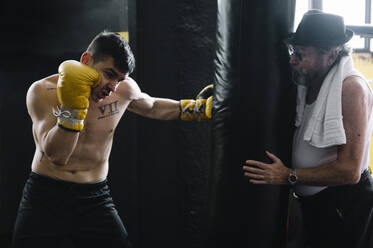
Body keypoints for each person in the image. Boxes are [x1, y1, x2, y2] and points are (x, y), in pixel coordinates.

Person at [12, 31, 213, 248]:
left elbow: (152, 106)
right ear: (86, 60)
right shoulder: (43, 91)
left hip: (95, 197)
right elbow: (58, 156)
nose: (112, 87)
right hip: (45, 196)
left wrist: (195, 108)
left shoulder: (123, 90)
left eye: (120, 79)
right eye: (109, 74)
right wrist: (72, 107)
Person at [243, 10, 373, 248]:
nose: (293, 60)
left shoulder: (351, 88)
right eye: (294, 51)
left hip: (344, 205)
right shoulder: (308, 82)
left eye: (301, 54)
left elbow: (350, 171)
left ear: (331, 55)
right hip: (314, 206)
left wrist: (289, 175)